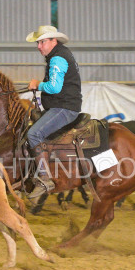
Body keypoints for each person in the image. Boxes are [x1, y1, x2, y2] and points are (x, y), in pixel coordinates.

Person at [25, 25, 83, 203]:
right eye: (38, 43)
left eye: (42, 42)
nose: (38, 46)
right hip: (64, 106)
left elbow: (54, 87)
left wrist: (38, 84)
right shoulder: (60, 55)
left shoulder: (57, 58)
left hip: (64, 108)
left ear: (53, 41)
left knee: (34, 134)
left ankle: (44, 179)